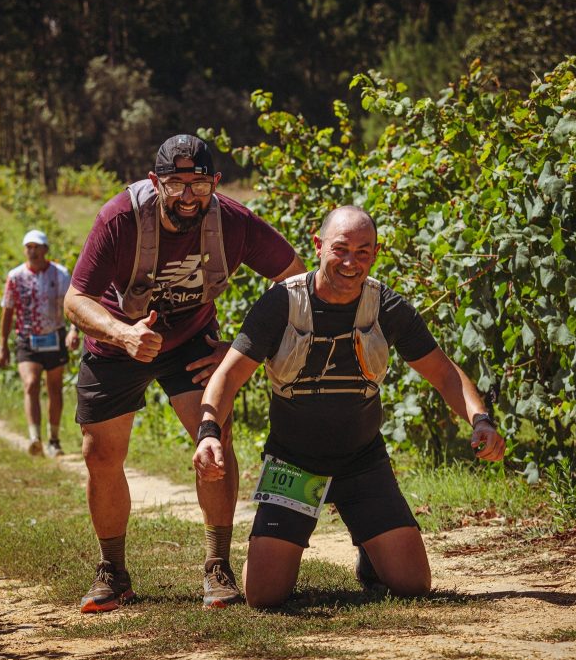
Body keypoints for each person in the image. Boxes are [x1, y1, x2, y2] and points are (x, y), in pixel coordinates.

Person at [195, 205, 505, 608]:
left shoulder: (386, 307)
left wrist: (481, 420)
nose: (350, 261)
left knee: (413, 585)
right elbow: (228, 376)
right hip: (293, 463)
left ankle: (371, 556)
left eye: (363, 252)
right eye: (340, 249)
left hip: (362, 463)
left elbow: (444, 373)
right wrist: (208, 433)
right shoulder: (281, 304)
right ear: (318, 245)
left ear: (375, 254)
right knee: (264, 596)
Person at [64, 134, 306, 613]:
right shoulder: (118, 218)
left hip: (193, 342)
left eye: (200, 183)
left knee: (214, 442)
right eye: (177, 183)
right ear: (155, 182)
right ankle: (112, 570)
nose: (190, 195)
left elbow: (296, 280)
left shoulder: (234, 222)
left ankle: (218, 565)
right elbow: (75, 300)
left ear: (215, 182)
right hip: (117, 342)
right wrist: (122, 333)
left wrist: (237, 349)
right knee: (101, 454)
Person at [0, 229, 80, 458]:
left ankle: (54, 439)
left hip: (54, 335)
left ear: (45, 250)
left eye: (37, 247)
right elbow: (8, 310)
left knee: (54, 388)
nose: (32, 251)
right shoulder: (15, 277)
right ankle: (35, 437)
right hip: (27, 338)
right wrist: (3, 344)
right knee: (31, 383)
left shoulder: (60, 275)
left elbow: (72, 305)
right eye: (28, 247)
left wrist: (73, 330)